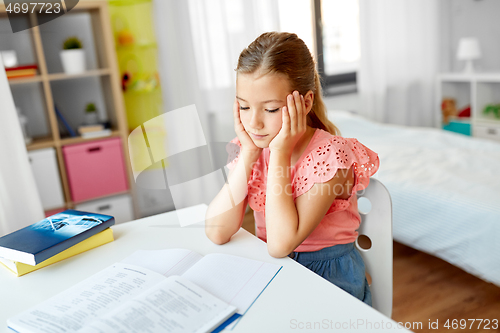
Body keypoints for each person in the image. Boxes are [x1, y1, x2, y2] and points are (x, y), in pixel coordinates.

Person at [205, 32, 379, 306]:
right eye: (244, 107)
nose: (254, 123)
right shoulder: (252, 147)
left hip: (328, 280)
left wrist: (280, 153)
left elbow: (279, 244)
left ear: (305, 103)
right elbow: (217, 230)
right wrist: (250, 153)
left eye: (271, 110)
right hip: (274, 271)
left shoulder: (331, 158)